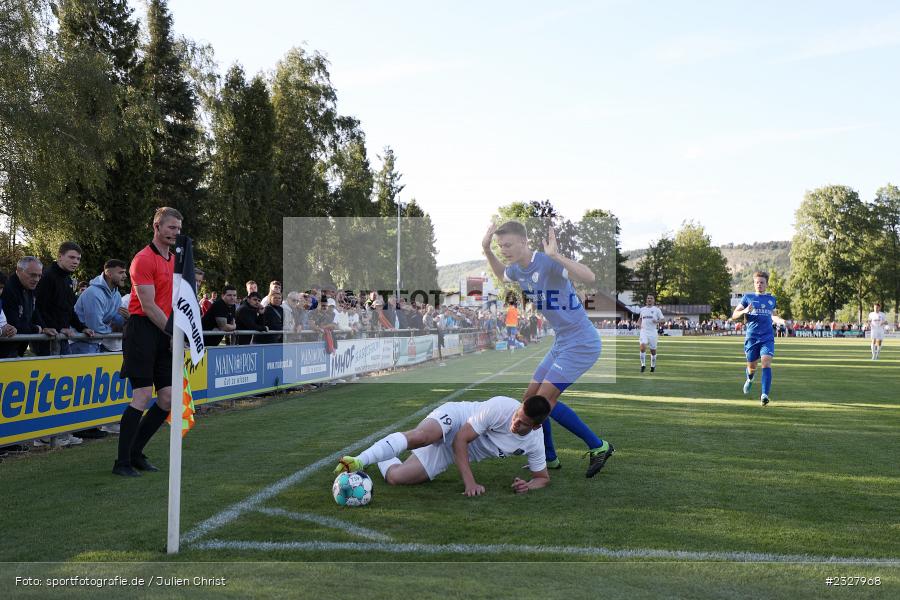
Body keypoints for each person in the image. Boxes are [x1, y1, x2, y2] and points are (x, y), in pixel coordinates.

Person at [483, 221, 614, 477]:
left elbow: (589, 277)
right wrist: (486, 249)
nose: (504, 250)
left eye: (508, 244)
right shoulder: (518, 271)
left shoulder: (546, 262)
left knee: (544, 403)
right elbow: (501, 275)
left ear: (524, 241)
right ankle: (549, 458)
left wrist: (556, 255)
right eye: (500, 246)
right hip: (562, 341)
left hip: (581, 342)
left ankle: (599, 446)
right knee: (530, 399)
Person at [335, 395, 552, 496]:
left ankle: (385, 453)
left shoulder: (534, 441)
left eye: (522, 423)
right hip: (457, 419)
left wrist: (528, 485)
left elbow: (542, 477)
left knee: (396, 478)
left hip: (457, 452)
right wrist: (470, 484)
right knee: (423, 436)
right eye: (517, 416)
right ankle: (359, 460)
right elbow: (460, 438)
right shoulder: (501, 406)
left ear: (535, 426)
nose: (514, 423)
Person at [113, 207, 182, 477]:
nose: (175, 233)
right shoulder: (142, 259)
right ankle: (122, 463)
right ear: (157, 226)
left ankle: (135, 453)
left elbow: (177, 300)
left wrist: (176, 330)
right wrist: (172, 332)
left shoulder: (175, 260)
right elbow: (148, 305)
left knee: (167, 398)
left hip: (164, 331)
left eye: (178, 228)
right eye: (171, 228)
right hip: (142, 330)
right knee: (141, 396)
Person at [730, 270, 787, 407]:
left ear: (766, 284)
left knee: (766, 362)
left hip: (767, 336)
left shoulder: (771, 299)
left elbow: (772, 315)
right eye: (757, 282)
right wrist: (745, 311)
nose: (759, 284)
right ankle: (749, 379)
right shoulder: (747, 298)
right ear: (754, 284)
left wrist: (781, 320)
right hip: (752, 337)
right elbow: (734, 315)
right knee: (752, 367)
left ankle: (764, 395)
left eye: (762, 282)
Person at [33, 241, 94, 356]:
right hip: (47, 339)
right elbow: (38, 308)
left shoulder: (68, 279)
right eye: (71, 257)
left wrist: (82, 328)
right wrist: (59, 328)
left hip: (62, 337)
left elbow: (68, 309)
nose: (75, 261)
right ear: (60, 256)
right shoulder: (47, 277)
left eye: (78, 259)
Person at [71, 259, 128, 355]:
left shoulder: (116, 294)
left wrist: (127, 319)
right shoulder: (94, 293)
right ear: (109, 273)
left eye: (125, 273)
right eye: (121, 272)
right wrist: (111, 330)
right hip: (80, 343)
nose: (125, 276)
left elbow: (115, 320)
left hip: (95, 343)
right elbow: (94, 327)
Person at [638, 294, 665, 373]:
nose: (649, 299)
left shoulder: (657, 310)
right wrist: (638, 324)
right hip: (644, 331)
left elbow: (663, 320)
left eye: (651, 298)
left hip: (653, 332)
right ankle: (643, 365)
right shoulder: (642, 309)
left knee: (653, 351)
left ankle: (653, 366)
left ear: (653, 300)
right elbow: (640, 319)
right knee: (642, 347)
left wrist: (657, 321)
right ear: (646, 300)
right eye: (648, 298)